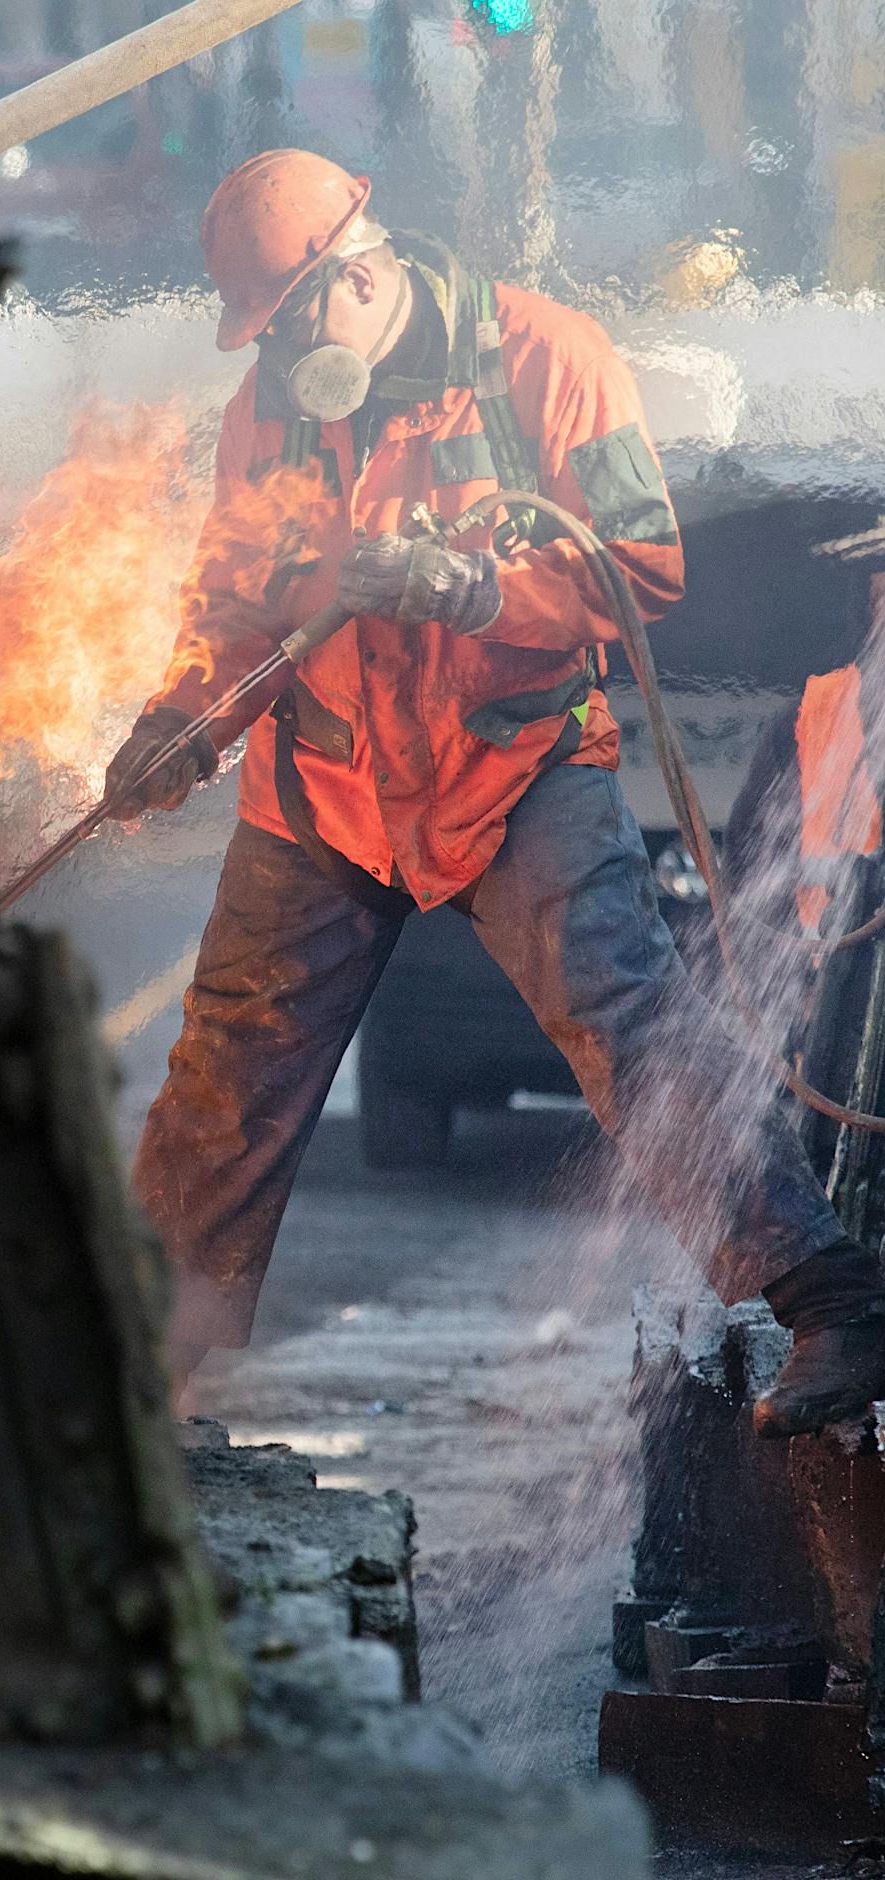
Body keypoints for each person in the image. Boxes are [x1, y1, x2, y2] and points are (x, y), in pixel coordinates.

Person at [115, 148, 885, 1437]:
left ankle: (834, 1304)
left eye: (290, 320)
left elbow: (643, 571)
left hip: (510, 769)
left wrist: (477, 592)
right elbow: (236, 600)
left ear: (359, 277)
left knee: (633, 1024)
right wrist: (179, 721)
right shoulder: (273, 409)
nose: (281, 353)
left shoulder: (550, 360)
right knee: (225, 1079)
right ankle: (130, 1386)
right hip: (328, 787)